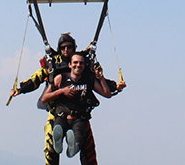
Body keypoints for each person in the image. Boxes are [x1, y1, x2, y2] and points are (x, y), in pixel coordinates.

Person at [8, 33, 125, 165]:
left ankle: (74, 144)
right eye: (63, 48)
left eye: (69, 47)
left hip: (81, 114)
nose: (66, 50)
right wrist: (20, 89)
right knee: (51, 150)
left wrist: (116, 86)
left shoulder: (84, 66)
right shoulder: (53, 66)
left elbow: (98, 81)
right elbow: (36, 78)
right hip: (57, 113)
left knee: (88, 152)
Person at [40, 53, 113, 164]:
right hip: (62, 116)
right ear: (70, 65)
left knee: (78, 139)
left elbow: (107, 94)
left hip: (79, 118)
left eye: (81, 63)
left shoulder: (89, 80)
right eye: (75, 62)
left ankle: (73, 146)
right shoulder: (61, 78)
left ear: (84, 66)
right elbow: (44, 98)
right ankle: (58, 141)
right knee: (58, 127)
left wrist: (100, 78)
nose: (78, 65)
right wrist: (62, 91)